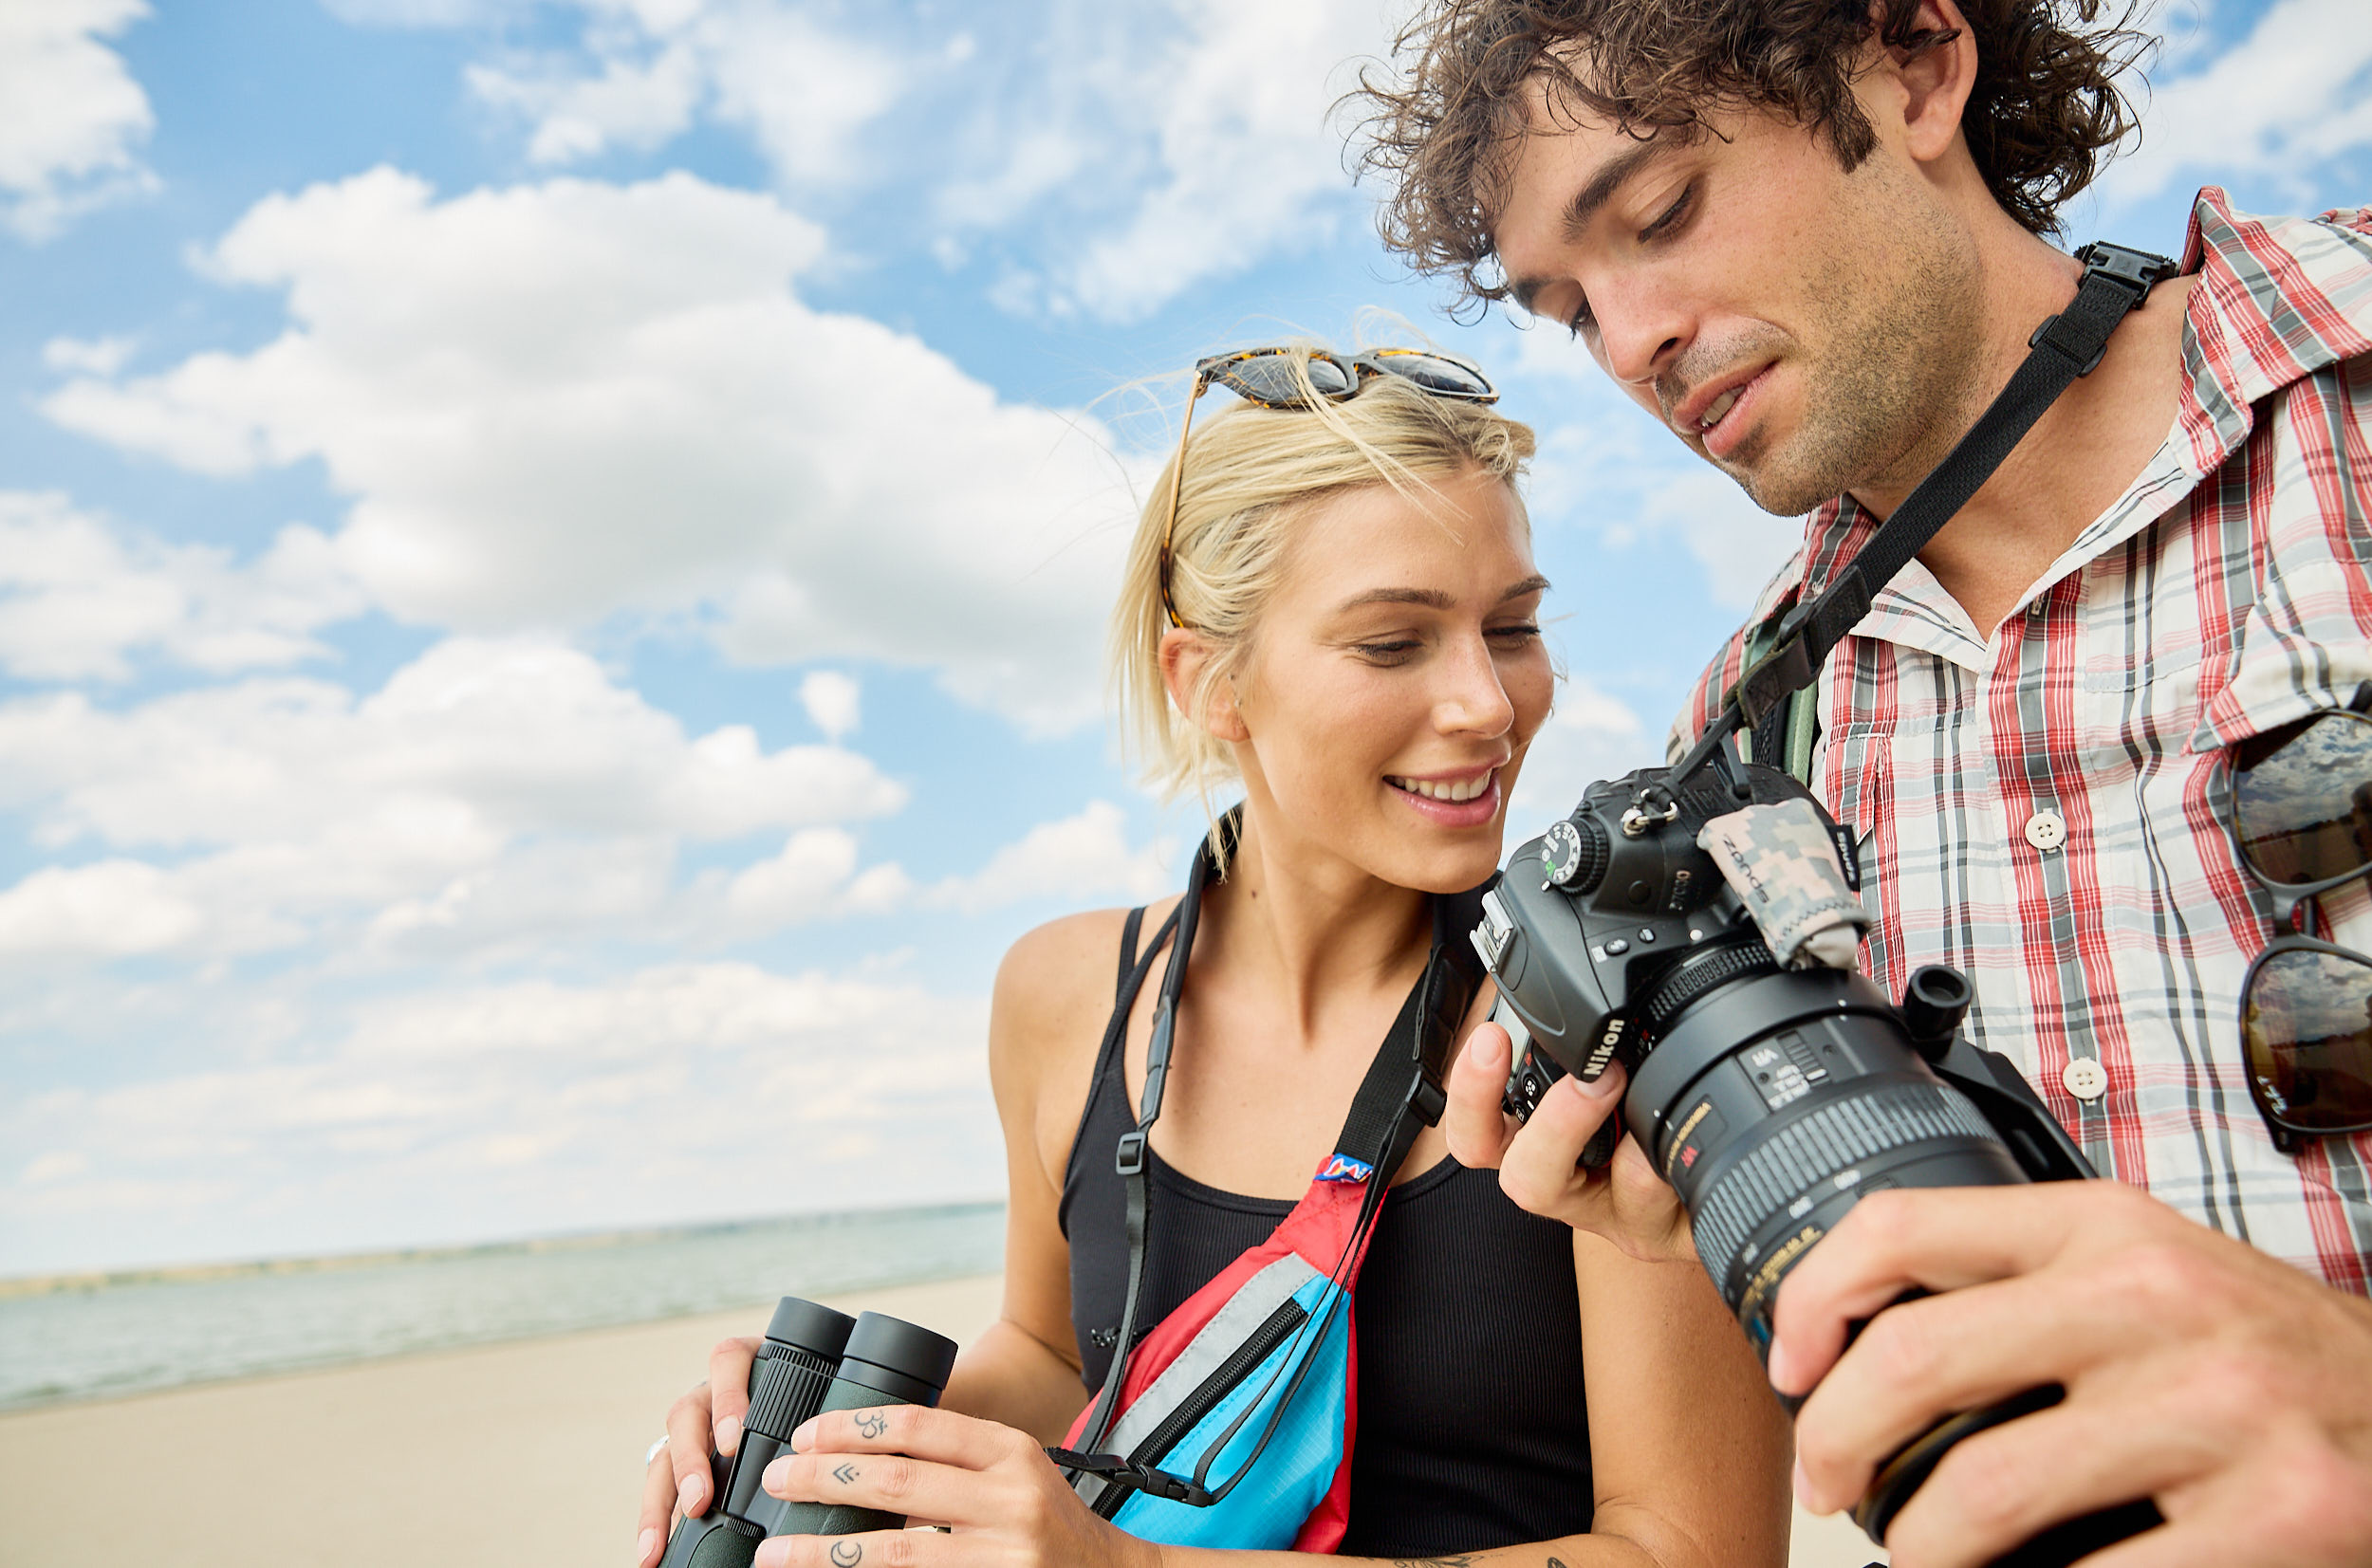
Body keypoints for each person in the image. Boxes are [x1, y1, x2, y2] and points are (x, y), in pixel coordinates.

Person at [1356, 0, 2372, 1561]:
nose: (1630, 345)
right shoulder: (1749, 740)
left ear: (1912, 67)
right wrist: (1685, 1203)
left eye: (1659, 212)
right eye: (1571, 311)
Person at [634, 350, 1792, 1568]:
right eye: (1394, 643)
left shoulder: (1626, 1010)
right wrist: (815, 1445)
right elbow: (1046, 1354)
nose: (1488, 705)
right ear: (1209, 681)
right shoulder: (1064, 992)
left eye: (1512, 628)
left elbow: (1693, 1550)